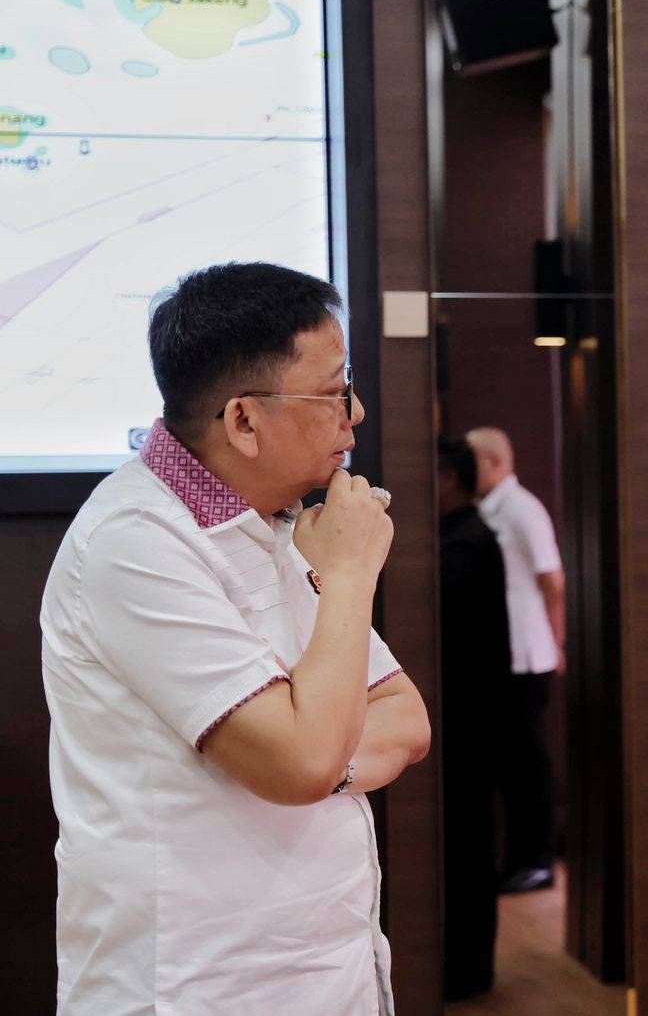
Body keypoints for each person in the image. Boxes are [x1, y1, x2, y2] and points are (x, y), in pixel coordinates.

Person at [40, 262, 431, 1014]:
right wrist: (351, 576)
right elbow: (301, 759)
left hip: (328, 968)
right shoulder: (136, 540)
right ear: (244, 421)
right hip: (197, 981)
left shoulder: (281, 520)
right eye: (333, 391)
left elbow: (405, 719)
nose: (355, 413)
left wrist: (321, 759)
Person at [466, 425, 564, 892]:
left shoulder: (523, 509)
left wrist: (558, 641)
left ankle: (538, 860)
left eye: (472, 461)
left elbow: (553, 581)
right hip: (501, 657)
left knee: (528, 765)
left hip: (527, 655)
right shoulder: (487, 508)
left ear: (494, 462)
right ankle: (518, 858)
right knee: (508, 766)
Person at [436, 435, 514, 999]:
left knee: (467, 845)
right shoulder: (459, 537)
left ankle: (467, 973)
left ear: (447, 477)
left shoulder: (465, 546)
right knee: (464, 843)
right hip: (467, 722)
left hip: (470, 724)